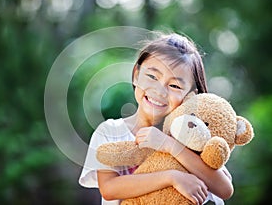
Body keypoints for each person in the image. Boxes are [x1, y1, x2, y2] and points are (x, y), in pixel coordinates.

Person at [79, 32, 233, 205]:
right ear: (137, 75)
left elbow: (224, 189)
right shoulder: (110, 131)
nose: (159, 91)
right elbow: (109, 189)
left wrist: (169, 145)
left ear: (190, 96)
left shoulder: (192, 138)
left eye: (174, 85)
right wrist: (171, 177)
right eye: (152, 76)